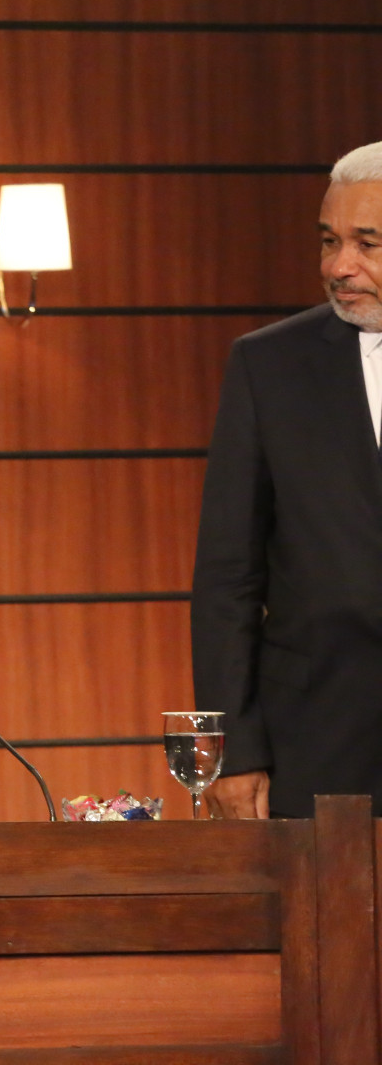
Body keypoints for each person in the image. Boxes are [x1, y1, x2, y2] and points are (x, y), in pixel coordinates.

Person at [193, 141, 382, 820]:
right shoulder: (269, 365)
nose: (339, 267)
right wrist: (232, 748)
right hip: (318, 738)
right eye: (330, 241)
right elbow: (228, 576)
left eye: (367, 243)